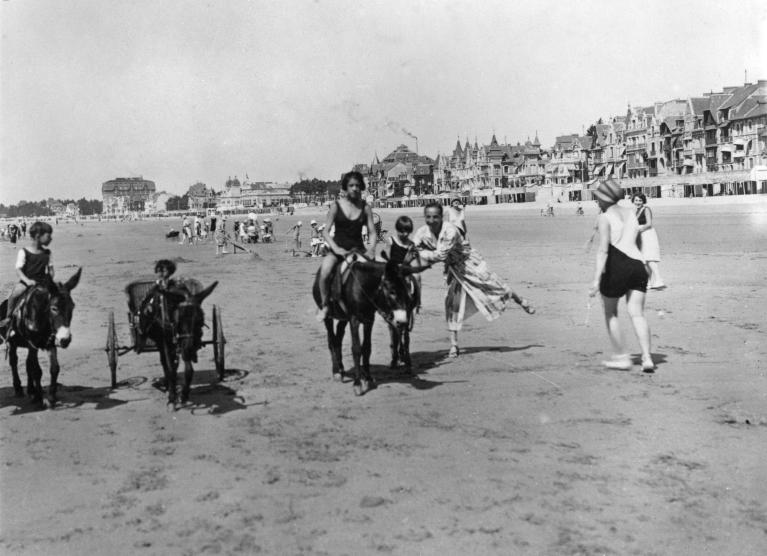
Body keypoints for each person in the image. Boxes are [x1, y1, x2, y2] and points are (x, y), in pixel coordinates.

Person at [413, 202, 534, 358]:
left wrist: (421, 253)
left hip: (469, 262)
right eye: (428, 217)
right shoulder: (422, 232)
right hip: (452, 269)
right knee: (452, 303)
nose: (431, 220)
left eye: (435, 217)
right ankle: (454, 344)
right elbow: (413, 247)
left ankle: (520, 300)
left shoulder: (449, 230)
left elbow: (440, 255)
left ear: (441, 217)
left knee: (495, 286)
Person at [589, 179, 655, 372]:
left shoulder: (604, 217)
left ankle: (621, 357)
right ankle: (647, 358)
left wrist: (595, 280)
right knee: (637, 314)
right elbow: (639, 239)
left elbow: (603, 251)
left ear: (604, 199)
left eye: (598, 198)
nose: (596, 202)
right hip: (638, 264)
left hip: (616, 266)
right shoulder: (631, 212)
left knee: (611, 313)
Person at [316, 171, 377, 321]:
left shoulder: (365, 207)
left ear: (361, 187)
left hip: (359, 251)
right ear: (345, 188)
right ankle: (324, 306)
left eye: (357, 185)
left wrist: (371, 249)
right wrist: (336, 249)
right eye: (351, 185)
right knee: (324, 273)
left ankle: (377, 307)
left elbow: (372, 232)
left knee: (377, 276)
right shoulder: (336, 206)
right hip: (339, 251)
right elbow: (325, 232)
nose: (355, 188)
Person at [0, 221, 55, 331]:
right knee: (14, 296)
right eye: (48, 236)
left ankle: (57, 326)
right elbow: (19, 269)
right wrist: (27, 280)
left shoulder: (47, 253)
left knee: (58, 299)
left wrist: (48, 280)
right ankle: (8, 318)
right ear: (38, 236)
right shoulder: (24, 252)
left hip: (42, 282)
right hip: (26, 282)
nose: (50, 239)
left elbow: (51, 270)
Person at [385, 215, 422, 311]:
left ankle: (417, 300)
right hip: (393, 266)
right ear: (397, 230)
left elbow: (411, 260)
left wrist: (412, 257)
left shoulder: (411, 244)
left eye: (407, 232)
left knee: (417, 277)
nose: (405, 234)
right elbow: (387, 257)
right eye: (402, 231)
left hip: (405, 267)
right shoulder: (391, 241)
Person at [632, 193, 665, 290]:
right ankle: (648, 282)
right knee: (645, 260)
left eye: (640, 200)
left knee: (650, 258)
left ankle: (659, 279)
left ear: (643, 201)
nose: (638, 202)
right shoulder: (636, 211)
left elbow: (649, 224)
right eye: (636, 200)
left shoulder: (646, 209)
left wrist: (638, 229)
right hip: (642, 235)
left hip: (648, 234)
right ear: (633, 201)